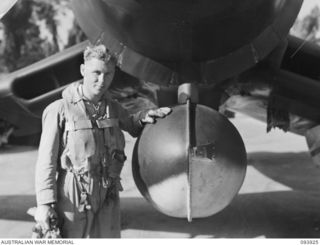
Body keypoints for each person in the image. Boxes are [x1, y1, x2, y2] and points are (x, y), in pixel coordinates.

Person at [34, 43, 171, 238]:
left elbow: (132, 124)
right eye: (96, 72)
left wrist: (146, 116)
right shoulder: (59, 109)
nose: (102, 80)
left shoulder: (114, 109)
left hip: (108, 194)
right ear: (83, 70)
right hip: (74, 197)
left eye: (108, 74)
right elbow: (45, 162)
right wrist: (44, 204)